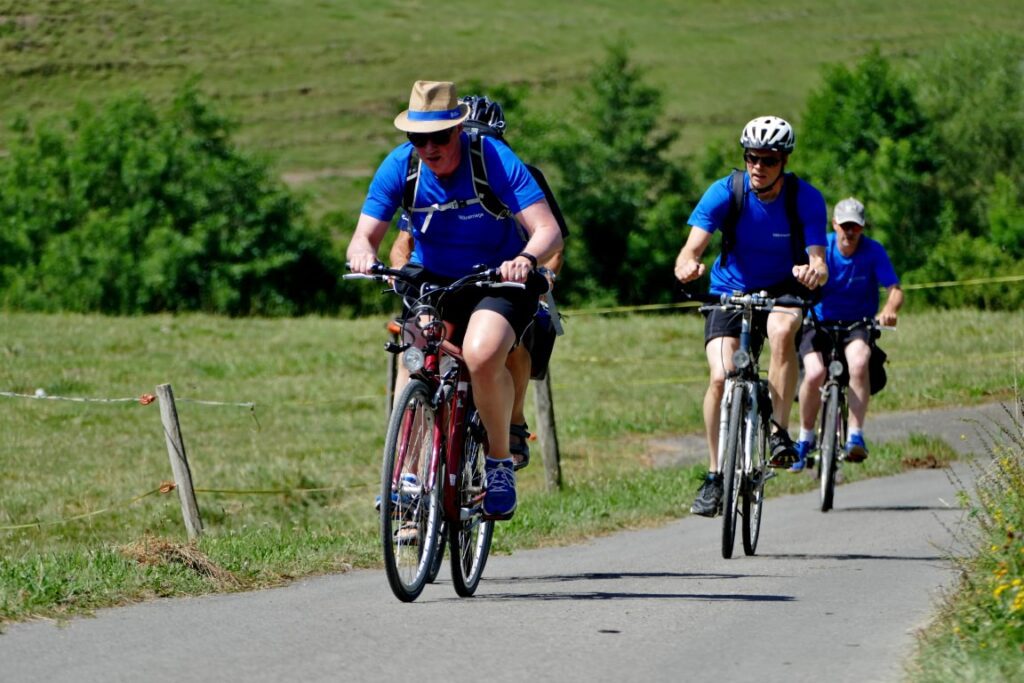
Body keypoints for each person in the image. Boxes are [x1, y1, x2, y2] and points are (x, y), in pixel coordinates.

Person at [348, 80, 563, 519]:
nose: (429, 147)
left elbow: (549, 230)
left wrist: (524, 258)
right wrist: (364, 255)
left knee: (482, 354)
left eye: (439, 136)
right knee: (414, 353)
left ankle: (499, 462)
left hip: (496, 280)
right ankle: (406, 478)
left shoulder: (492, 158)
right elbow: (363, 237)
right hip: (432, 280)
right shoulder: (400, 166)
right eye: (418, 138)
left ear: (459, 130)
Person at [674, 116, 829, 517]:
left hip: (783, 289)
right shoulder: (725, 192)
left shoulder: (806, 198)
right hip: (729, 290)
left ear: (784, 161)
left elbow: (819, 261)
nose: (759, 167)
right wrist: (688, 267)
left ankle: (778, 433)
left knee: (782, 331)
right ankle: (714, 475)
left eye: (769, 160)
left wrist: (812, 272)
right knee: (720, 377)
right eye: (752, 158)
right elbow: (689, 251)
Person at [789, 197, 903, 471]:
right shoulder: (821, 248)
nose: (850, 233)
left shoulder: (874, 251)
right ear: (835, 224)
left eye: (856, 227)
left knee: (860, 361)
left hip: (856, 325)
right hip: (819, 323)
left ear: (862, 228)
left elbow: (895, 289)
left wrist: (889, 309)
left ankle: (855, 435)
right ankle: (804, 439)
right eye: (845, 226)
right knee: (815, 372)